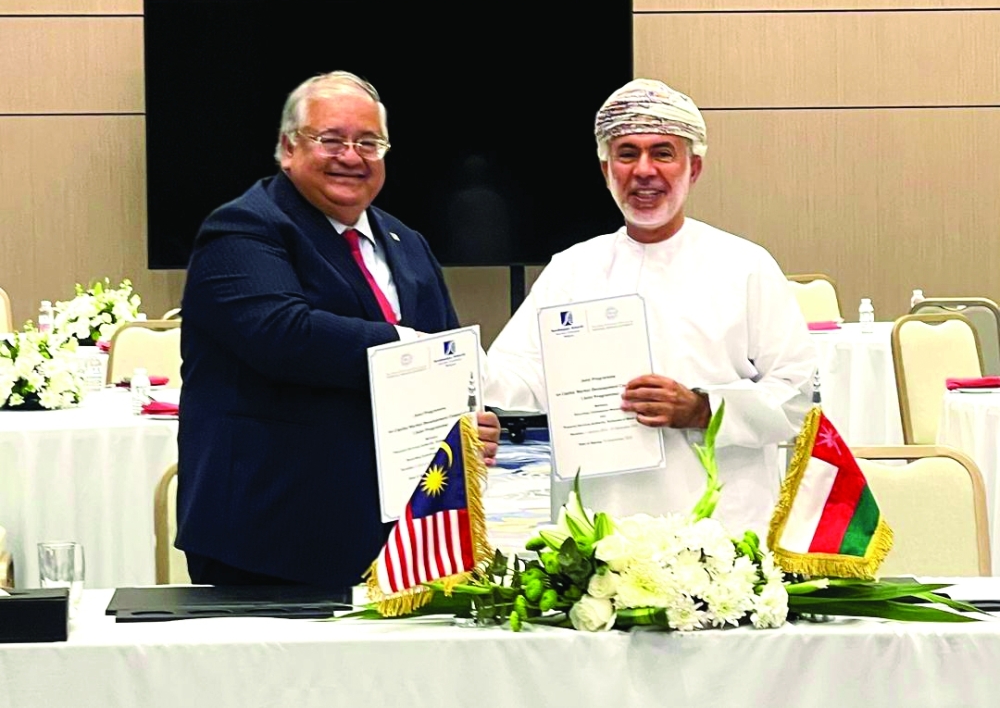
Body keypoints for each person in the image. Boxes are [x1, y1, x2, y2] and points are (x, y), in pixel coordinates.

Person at [176, 71, 499, 590]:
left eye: (369, 142)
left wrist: (472, 420)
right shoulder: (242, 229)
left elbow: (447, 359)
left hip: (402, 538)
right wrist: (406, 346)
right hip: (272, 537)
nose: (352, 156)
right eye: (330, 139)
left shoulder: (407, 241)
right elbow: (285, 335)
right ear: (287, 148)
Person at [484, 79, 816, 537]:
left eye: (663, 153)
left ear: (693, 168)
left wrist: (703, 408)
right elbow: (519, 376)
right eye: (627, 154)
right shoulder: (572, 269)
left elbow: (798, 399)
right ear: (606, 170)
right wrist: (442, 366)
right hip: (602, 527)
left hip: (722, 534)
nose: (643, 170)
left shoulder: (745, 265)